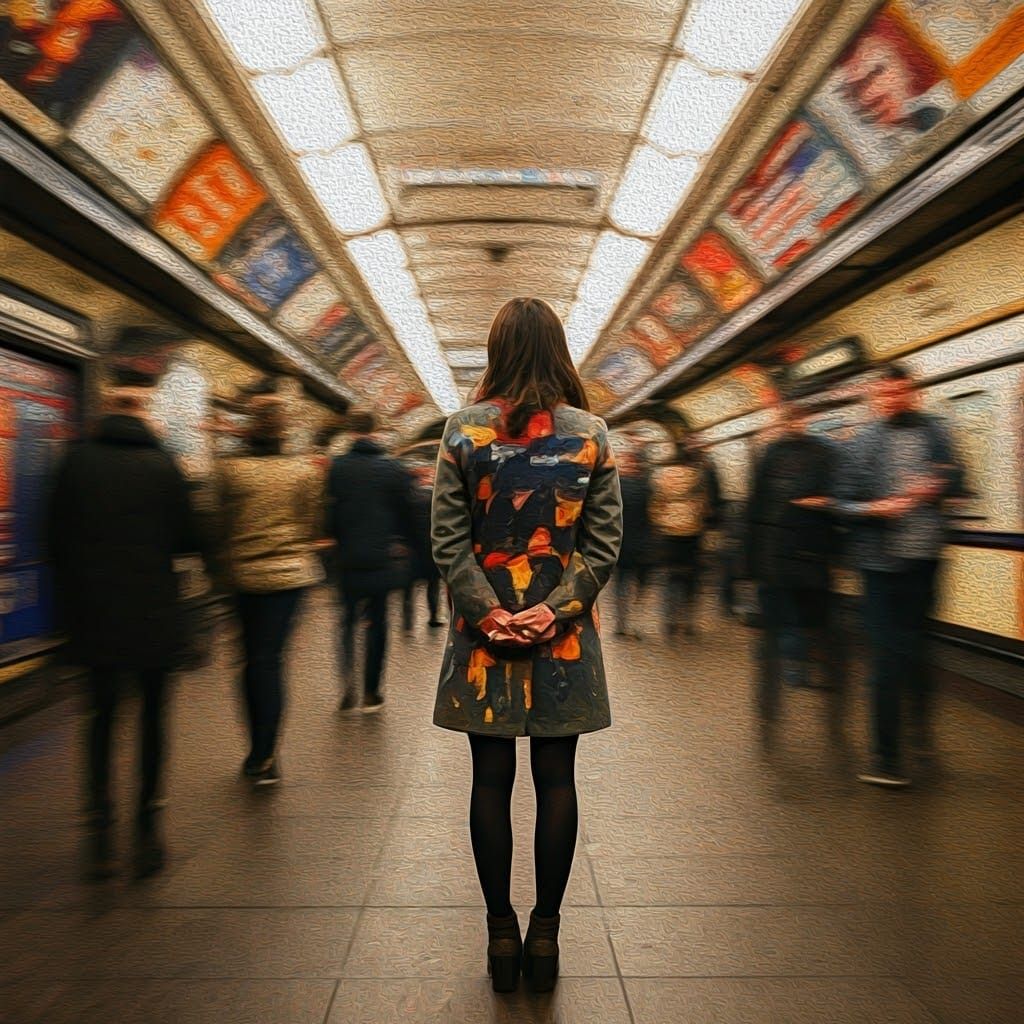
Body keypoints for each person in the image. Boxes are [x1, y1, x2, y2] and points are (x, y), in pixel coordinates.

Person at [431, 297, 622, 993]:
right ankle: (546, 933)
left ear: (496, 351)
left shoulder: (461, 433)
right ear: (558, 350)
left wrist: (489, 614)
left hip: (483, 646)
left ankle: (499, 932)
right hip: (562, 644)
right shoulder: (593, 434)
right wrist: (554, 611)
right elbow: (603, 545)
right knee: (556, 781)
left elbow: (448, 544)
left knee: (489, 783)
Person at [47, 379, 201, 880]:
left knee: (100, 719)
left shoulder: (74, 462)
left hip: (93, 614)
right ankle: (147, 831)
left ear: (103, 411)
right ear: (146, 413)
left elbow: (52, 538)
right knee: (153, 720)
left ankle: (99, 833)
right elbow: (187, 538)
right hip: (152, 613)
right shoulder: (164, 466)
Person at [799, 363, 964, 787]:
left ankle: (920, 731)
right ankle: (885, 757)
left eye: (901, 393)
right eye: (885, 395)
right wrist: (874, 509)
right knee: (886, 658)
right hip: (879, 566)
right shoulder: (861, 442)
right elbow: (840, 503)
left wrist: (938, 485)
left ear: (914, 393)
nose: (893, 401)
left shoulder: (936, 432)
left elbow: (957, 477)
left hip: (925, 562)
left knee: (919, 652)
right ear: (874, 397)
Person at [215, 392, 324, 787]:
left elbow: (218, 524)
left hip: (243, 577)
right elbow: (312, 524)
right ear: (286, 431)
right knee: (271, 660)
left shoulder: (229, 471)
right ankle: (266, 755)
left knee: (249, 660)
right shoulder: (305, 471)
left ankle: (255, 750)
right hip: (291, 577)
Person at [746, 398, 844, 746]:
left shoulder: (815, 453)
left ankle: (791, 670)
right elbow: (755, 505)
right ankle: (788, 675)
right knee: (791, 620)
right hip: (789, 552)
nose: (792, 424)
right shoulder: (789, 453)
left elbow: (756, 505)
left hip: (798, 551)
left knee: (793, 620)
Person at [327, 412, 419, 713]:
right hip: (382, 558)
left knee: (346, 621)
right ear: (376, 431)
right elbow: (409, 514)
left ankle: (346, 681)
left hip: (347, 558)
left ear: (349, 431)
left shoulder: (336, 468)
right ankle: (371, 692)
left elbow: (327, 511)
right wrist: (407, 546)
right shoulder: (394, 469)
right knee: (378, 623)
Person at [648, 435, 721, 638]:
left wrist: (660, 522)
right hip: (692, 534)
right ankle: (688, 622)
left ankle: (669, 621)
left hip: (668, 534)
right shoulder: (698, 476)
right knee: (691, 579)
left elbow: (655, 506)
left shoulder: (660, 478)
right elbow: (705, 505)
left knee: (670, 577)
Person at [612, 444, 651, 638]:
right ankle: (632, 620)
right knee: (637, 582)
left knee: (621, 582)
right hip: (641, 540)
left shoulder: (615, 484)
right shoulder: (647, 484)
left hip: (621, 540)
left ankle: (622, 622)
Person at [401, 462, 444, 632]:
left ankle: (407, 620)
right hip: (431, 547)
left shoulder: (407, 497)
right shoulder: (436, 497)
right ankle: (433, 617)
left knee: (408, 586)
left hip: (412, 548)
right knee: (433, 585)